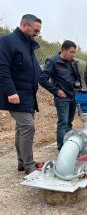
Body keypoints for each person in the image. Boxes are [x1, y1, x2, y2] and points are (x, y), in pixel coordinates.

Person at [0, 14, 42, 175]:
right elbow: (2, 67)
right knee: (28, 127)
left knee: (21, 128)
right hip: (16, 93)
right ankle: (29, 165)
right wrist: (11, 91)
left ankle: (21, 162)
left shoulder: (28, 45)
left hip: (29, 94)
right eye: (35, 30)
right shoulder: (7, 41)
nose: (38, 33)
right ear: (24, 25)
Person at [39, 40, 82, 151]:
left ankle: (68, 145)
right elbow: (42, 79)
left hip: (73, 97)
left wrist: (78, 89)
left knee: (69, 123)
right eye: (71, 52)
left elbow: (77, 78)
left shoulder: (73, 62)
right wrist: (56, 91)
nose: (73, 54)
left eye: (74, 52)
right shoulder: (53, 62)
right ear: (63, 50)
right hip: (62, 98)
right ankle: (62, 147)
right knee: (63, 123)